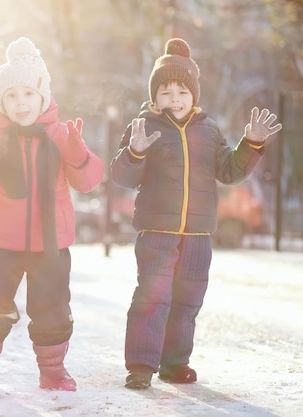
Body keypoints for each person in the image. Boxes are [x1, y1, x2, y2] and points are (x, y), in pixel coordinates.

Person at [110, 38, 282, 389]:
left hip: (199, 234)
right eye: (166, 91)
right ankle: (141, 366)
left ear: (194, 95)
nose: (174, 98)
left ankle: (175, 364)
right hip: (157, 231)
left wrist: (251, 144)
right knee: (153, 298)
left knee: (187, 301)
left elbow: (230, 171)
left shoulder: (209, 129)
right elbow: (122, 176)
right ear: (154, 96)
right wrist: (135, 152)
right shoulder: (144, 127)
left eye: (182, 91)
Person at [0, 37, 105, 391]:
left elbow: (88, 182)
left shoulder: (61, 135)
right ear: (1, 101)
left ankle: (53, 371)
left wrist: (77, 154)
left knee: (51, 309)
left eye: (27, 94)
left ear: (43, 96)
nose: (20, 103)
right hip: (3, 243)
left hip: (51, 245)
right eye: (11, 95)